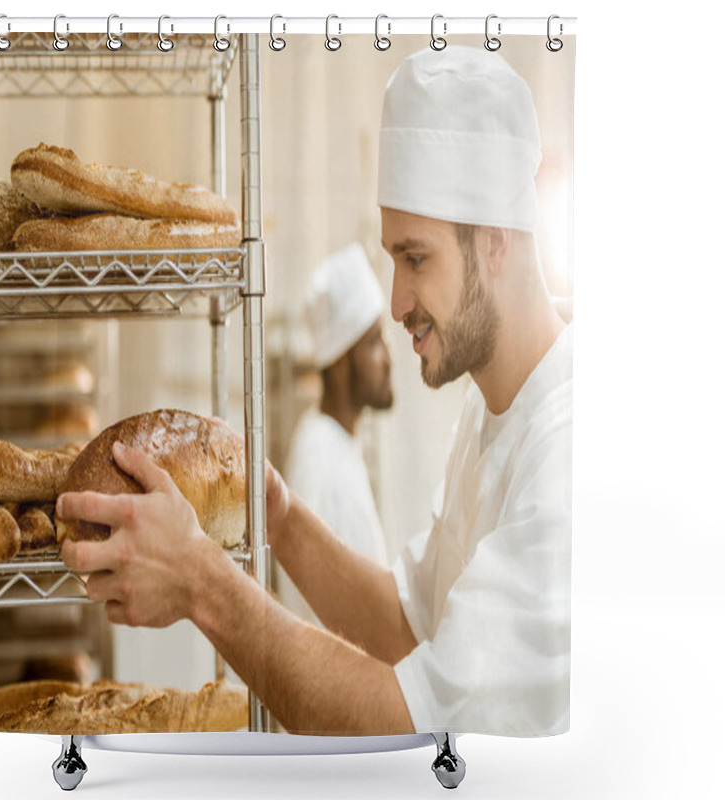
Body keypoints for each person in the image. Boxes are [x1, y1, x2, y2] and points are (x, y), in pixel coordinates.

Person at [58, 46, 572, 737]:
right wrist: (279, 514)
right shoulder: (488, 410)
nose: (396, 303)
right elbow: (403, 623)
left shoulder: (568, 450)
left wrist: (203, 583)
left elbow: (402, 719)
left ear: (496, 244)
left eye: (415, 258)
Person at [278, 242, 392, 625]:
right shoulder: (322, 458)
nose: (388, 359)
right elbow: (342, 619)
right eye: (374, 342)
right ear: (341, 363)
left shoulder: (332, 442)